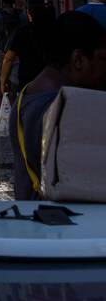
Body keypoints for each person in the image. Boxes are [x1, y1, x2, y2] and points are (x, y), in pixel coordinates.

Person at [12, 11, 106, 199]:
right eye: (103, 59)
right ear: (78, 60)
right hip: (65, 223)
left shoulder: (26, 96)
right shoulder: (68, 110)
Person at [0, 0, 56, 101]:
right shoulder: (54, 30)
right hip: (51, 82)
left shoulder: (23, 32)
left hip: (27, 83)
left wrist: (3, 81)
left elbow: (9, 58)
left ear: (29, 13)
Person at [0, 0, 23, 79]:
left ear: (1, 0)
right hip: (18, 54)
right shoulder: (22, 16)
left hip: (3, 53)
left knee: (2, 80)